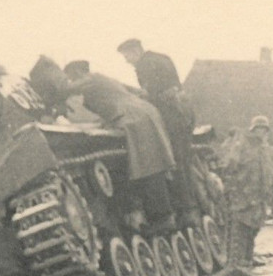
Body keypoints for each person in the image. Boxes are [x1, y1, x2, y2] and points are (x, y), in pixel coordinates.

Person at [32, 57, 176, 232]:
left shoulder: (91, 79)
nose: (70, 79)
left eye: (71, 76)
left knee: (149, 167)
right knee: (148, 165)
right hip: (142, 114)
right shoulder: (103, 80)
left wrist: (45, 98)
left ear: (78, 72)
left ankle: (163, 220)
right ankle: (160, 216)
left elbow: (64, 90)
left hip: (134, 119)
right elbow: (136, 92)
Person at [117, 38, 200, 225]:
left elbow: (151, 94)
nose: (127, 60)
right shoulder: (161, 58)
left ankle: (186, 212)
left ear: (136, 50)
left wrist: (132, 95)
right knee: (184, 161)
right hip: (183, 112)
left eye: (127, 55)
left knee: (174, 162)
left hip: (170, 115)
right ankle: (191, 208)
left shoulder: (145, 64)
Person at [221, 115, 273, 276]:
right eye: (259, 129)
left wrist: (270, 187)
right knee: (240, 228)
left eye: (264, 129)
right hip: (243, 194)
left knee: (254, 227)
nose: (261, 132)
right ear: (253, 129)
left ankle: (247, 259)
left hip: (259, 195)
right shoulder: (242, 145)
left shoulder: (265, 149)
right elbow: (230, 166)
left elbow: (270, 171)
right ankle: (236, 262)